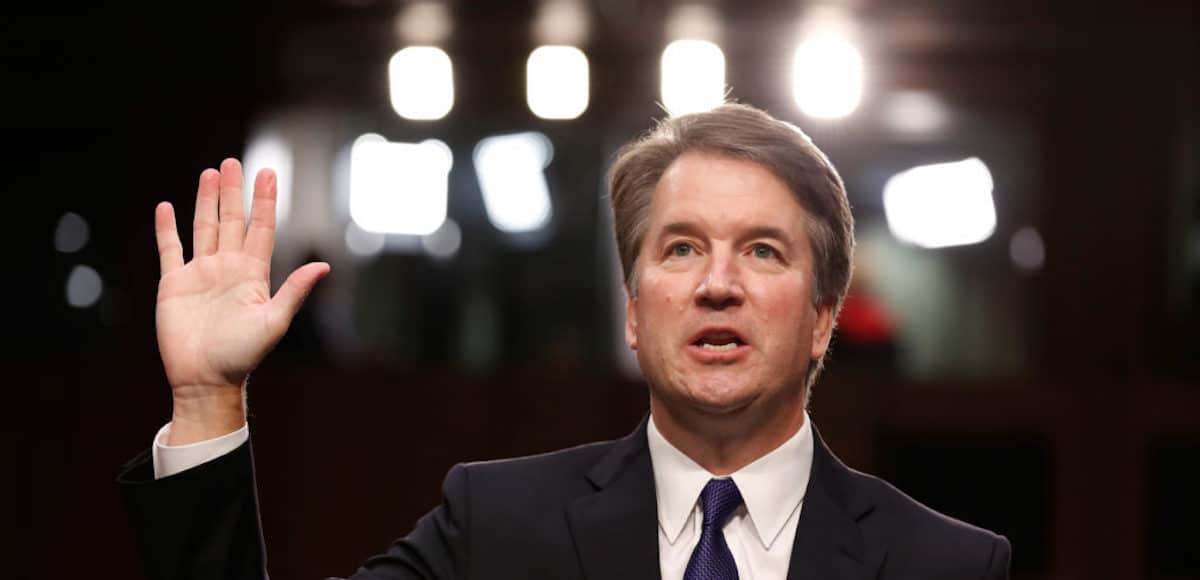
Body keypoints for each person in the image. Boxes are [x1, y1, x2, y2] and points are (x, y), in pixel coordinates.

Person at [120, 103, 1011, 579]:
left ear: (823, 317)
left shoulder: (946, 565)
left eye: (763, 251)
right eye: (682, 247)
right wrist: (206, 403)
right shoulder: (494, 528)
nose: (717, 282)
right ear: (632, 309)